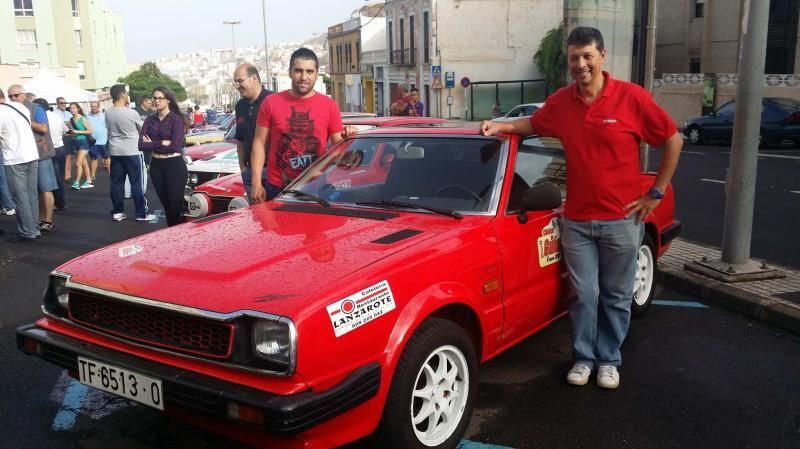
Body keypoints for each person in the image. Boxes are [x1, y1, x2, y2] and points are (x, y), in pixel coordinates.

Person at [481, 26, 682, 390]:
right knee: (583, 295)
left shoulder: (630, 98)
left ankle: (608, 360)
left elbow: (673, 139)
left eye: (588, 56)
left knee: (617, 295)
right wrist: (501, 125)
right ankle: (584, 358)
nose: (581, 64)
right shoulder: (561, 102)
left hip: (622, 219)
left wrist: (655, 192)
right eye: (574, 58)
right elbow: (534, 123)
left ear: (602, 57)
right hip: (576, 221)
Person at [249, 47, 355, 204]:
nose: (304, 77)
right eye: (298, 71)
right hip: (278, 188)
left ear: (317, 74)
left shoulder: (329, 105)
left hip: (316, 187)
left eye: (309, 71)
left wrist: (349, 138)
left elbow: (338, 147)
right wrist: (256, 183)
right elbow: (259, 143)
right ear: (290, 72)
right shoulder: (270, 103)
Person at [9, 86, 58, 233]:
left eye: (16, 95)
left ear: (23, 95)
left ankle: (47, 221)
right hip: (24, 155)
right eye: (10, 96)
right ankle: (38, 220)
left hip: (41, 154)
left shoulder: (36, 108)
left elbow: (43, 129)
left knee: (45, 188)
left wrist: (25, 120)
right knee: (33, 191)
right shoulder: (10, 110)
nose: (13, 98)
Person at [139, 86, 187, 227]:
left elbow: (175, 146)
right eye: (155, 98)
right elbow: (141, 145)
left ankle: (180, 237)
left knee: (175, 205)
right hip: (156, 166)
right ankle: (172, 237)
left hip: (174, 165)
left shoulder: (176, 119)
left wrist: (152, 143)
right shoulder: (149, 120)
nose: (157, 101)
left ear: (168, 100)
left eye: (161, 98)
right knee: (167, 205)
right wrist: (162, 142)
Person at [106, 84, 154, 223]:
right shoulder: (131, 113)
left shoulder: (108, 112)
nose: (127, 96)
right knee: (136, 183)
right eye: (126, 94)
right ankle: (141, 213)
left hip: (115, 151)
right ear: (122, 95)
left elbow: (109, 131)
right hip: (132, 151)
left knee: (116, 183)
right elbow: (142, 129)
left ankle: (118, 212)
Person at [0, 88, 40, 242]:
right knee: (31, 195)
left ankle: (27, 231)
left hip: (13, 158)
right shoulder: (21, 107)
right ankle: (34, 228)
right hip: (31, 154)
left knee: (20, 197)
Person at [232, 62, 272, 201]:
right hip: (250, 173)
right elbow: (240, 139)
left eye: (240, 81)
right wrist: (243, 168)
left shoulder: (273, 101)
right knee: (258, 218)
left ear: (254, 78)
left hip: (273, 173)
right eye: (235, 82)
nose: (237, 86)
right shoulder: (240, 106)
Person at [36, 98, 68, 211]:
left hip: (49, 150)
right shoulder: (57, 116)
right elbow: (65, 130)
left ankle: (59, 202)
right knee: (60, 177)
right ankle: (61, 201)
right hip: (61, 147)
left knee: (52, 179)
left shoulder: (41, 118)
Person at [67, 102, 93, 190]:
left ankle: (76, 182)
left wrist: (78, 132)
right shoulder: (70, 120)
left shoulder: (83, 119)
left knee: (78, 163)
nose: (72, 110)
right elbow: (72, 132)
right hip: (75, 142)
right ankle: (88, 180)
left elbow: (90, 131)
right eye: (70, 108)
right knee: (84, 163)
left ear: (78, 109)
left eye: (74, 108)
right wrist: (68, 133)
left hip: (83, 142)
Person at [87, 101, 109, 179]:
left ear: (98, 107)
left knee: (107, 158)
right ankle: (93, 175)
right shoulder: (87, 116)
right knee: (93, 158)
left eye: (95, 106)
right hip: (92, 142)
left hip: (103, 141)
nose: (94, 108)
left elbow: (108, 127)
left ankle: (111, 173)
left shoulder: (104, 116)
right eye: (92, 106)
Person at [55, 97, 75, 182]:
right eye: (61, 103)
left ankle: (68, 175)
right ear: (57, 104)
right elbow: (60, 126)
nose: (63, 104)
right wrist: (67, 124)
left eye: (64, 103)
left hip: (69, 136)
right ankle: (63, 175)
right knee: (63, 157)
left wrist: (68, 124)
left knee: (69, 156)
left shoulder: (68, 113)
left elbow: (72, 125)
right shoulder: (55, 113)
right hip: (62, 137)